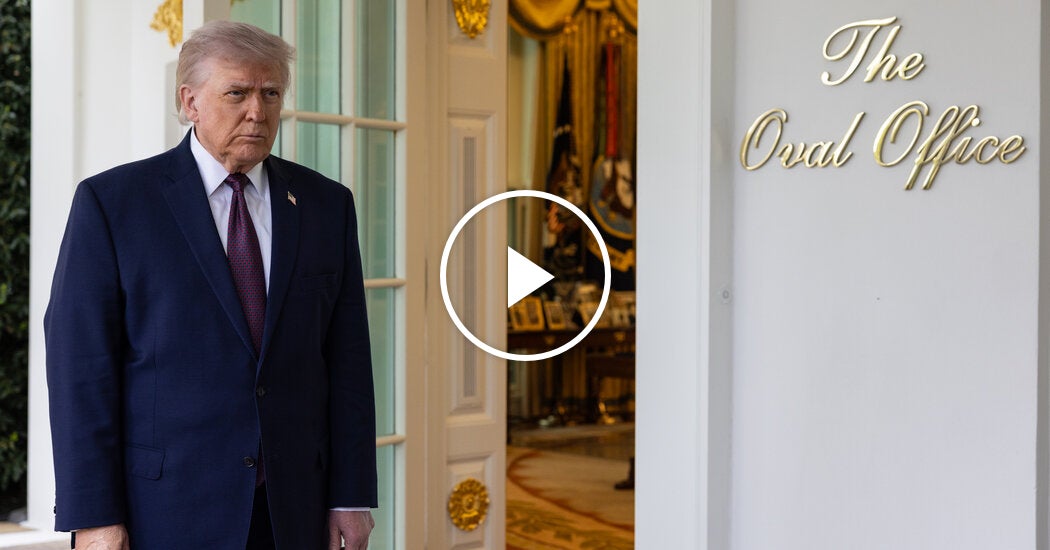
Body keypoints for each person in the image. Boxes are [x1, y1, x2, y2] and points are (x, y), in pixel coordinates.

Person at [44, 20, 377, 549]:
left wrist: (351, 496)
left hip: (294, 510)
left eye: (271, 93)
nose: (258, 111)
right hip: (165, 511)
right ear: (190, 101)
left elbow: (348, 362)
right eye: (237, 93)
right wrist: (94, 517)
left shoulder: (326, 205)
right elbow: (80, 372)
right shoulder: (113, 204)